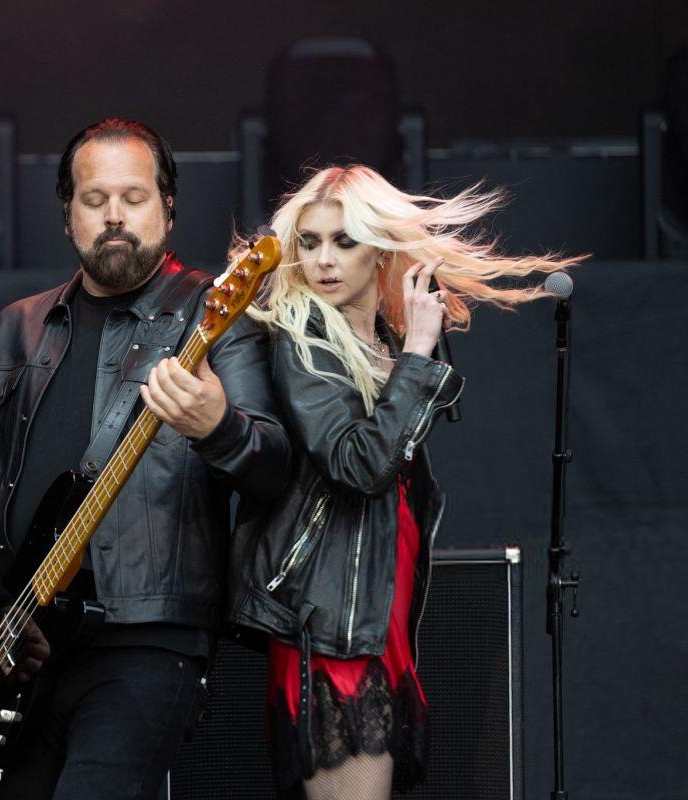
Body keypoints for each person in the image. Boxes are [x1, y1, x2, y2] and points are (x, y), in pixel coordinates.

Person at [0, 118, 290, 800]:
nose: (114, 215)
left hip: (146, 640)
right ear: (68, 215)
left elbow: (275, 469)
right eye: (94, 199)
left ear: (168, 207)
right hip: (24, 644)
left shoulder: (214, 314)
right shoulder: (17, 326)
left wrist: (219, 427)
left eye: (134, 196)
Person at [229, 165, 581, 799]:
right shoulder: (304, 337)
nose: (323, 260)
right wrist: (418, 356)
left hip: (373, 621)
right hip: (334, 627)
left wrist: (411, 353)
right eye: (309, 242)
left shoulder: (383, 341)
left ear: (380, 250)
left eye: (344, 241)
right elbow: (359, 464)